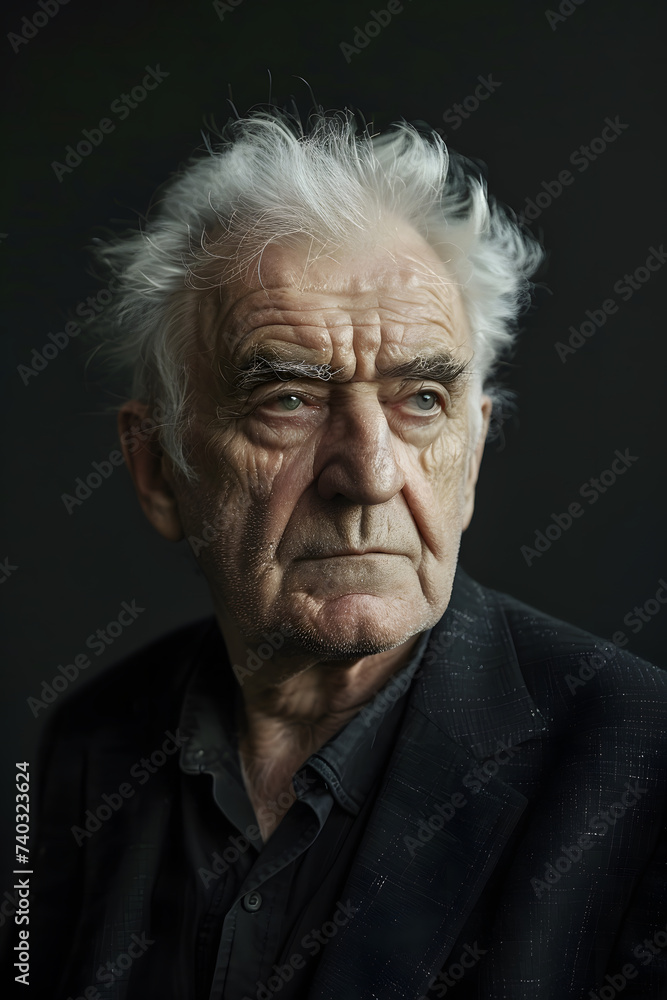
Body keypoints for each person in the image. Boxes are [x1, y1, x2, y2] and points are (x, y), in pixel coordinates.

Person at [28, 106, 667, 999]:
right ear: (160, 470)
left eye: (421, 401)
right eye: (287, 399)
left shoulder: (645, 766)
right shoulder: (82, 750)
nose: (368, 474)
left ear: (473, 453)